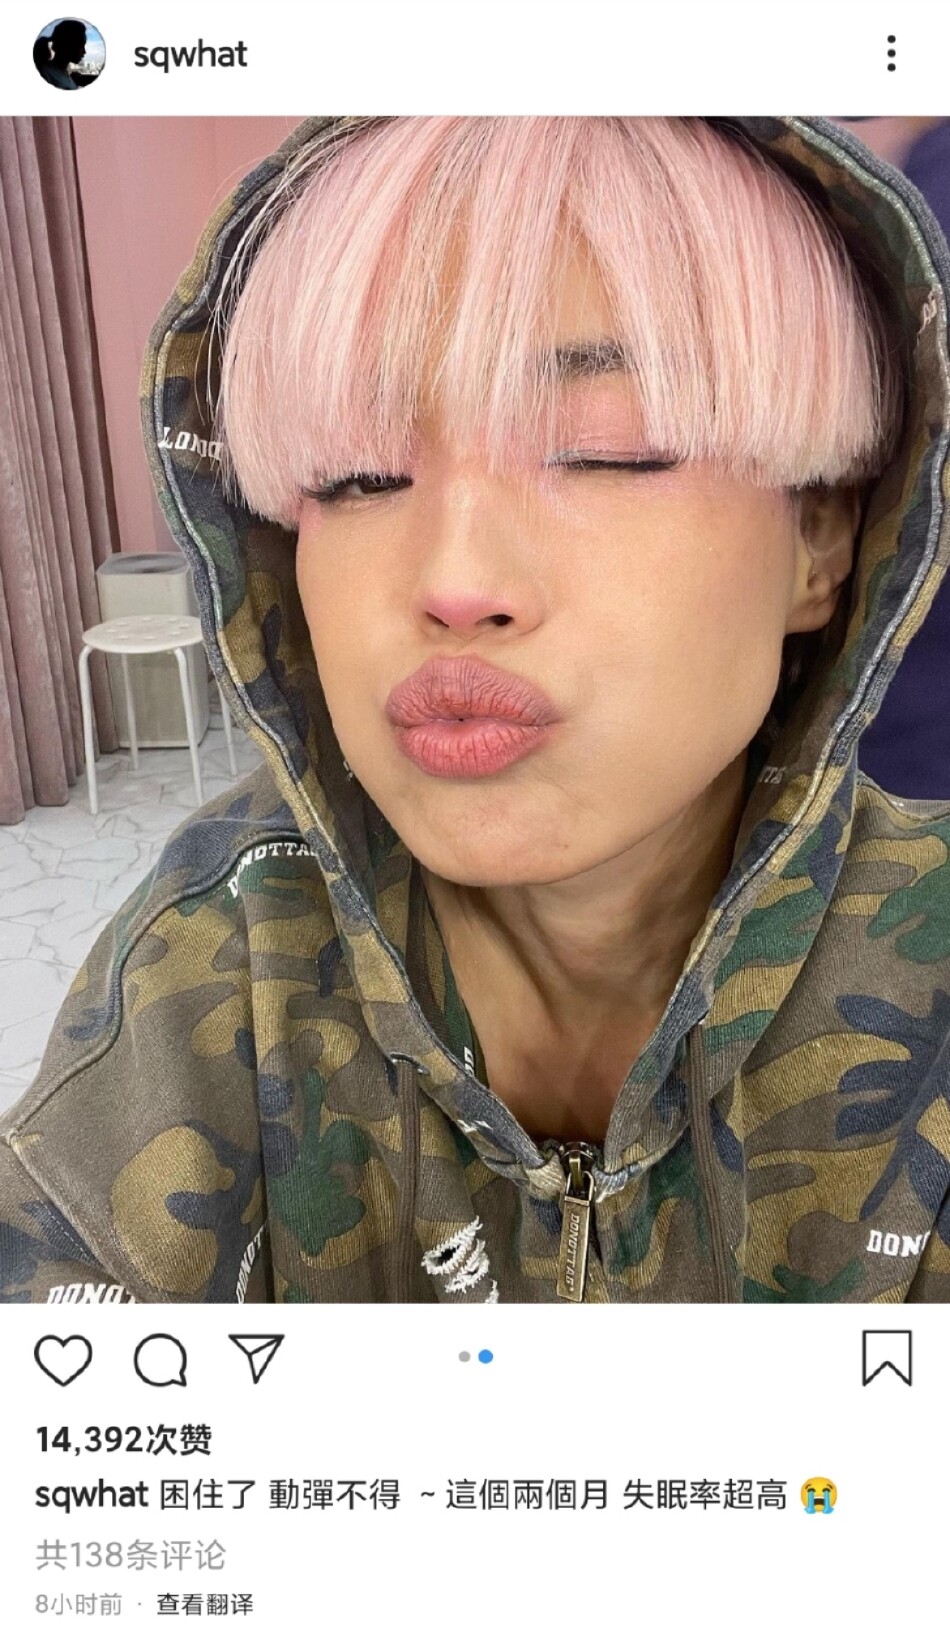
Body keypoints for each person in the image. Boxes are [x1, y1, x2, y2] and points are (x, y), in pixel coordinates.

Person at [1, 116, 949, 1306]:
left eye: (605, 451)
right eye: (359, 475)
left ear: (820, 539)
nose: (453, 581)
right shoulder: (218, 951)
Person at [35, 19, 87, 89]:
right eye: (81, 45)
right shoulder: (47, 75)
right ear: (66, 45)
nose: (84, 52)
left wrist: (71, 80)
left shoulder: (55, 74)